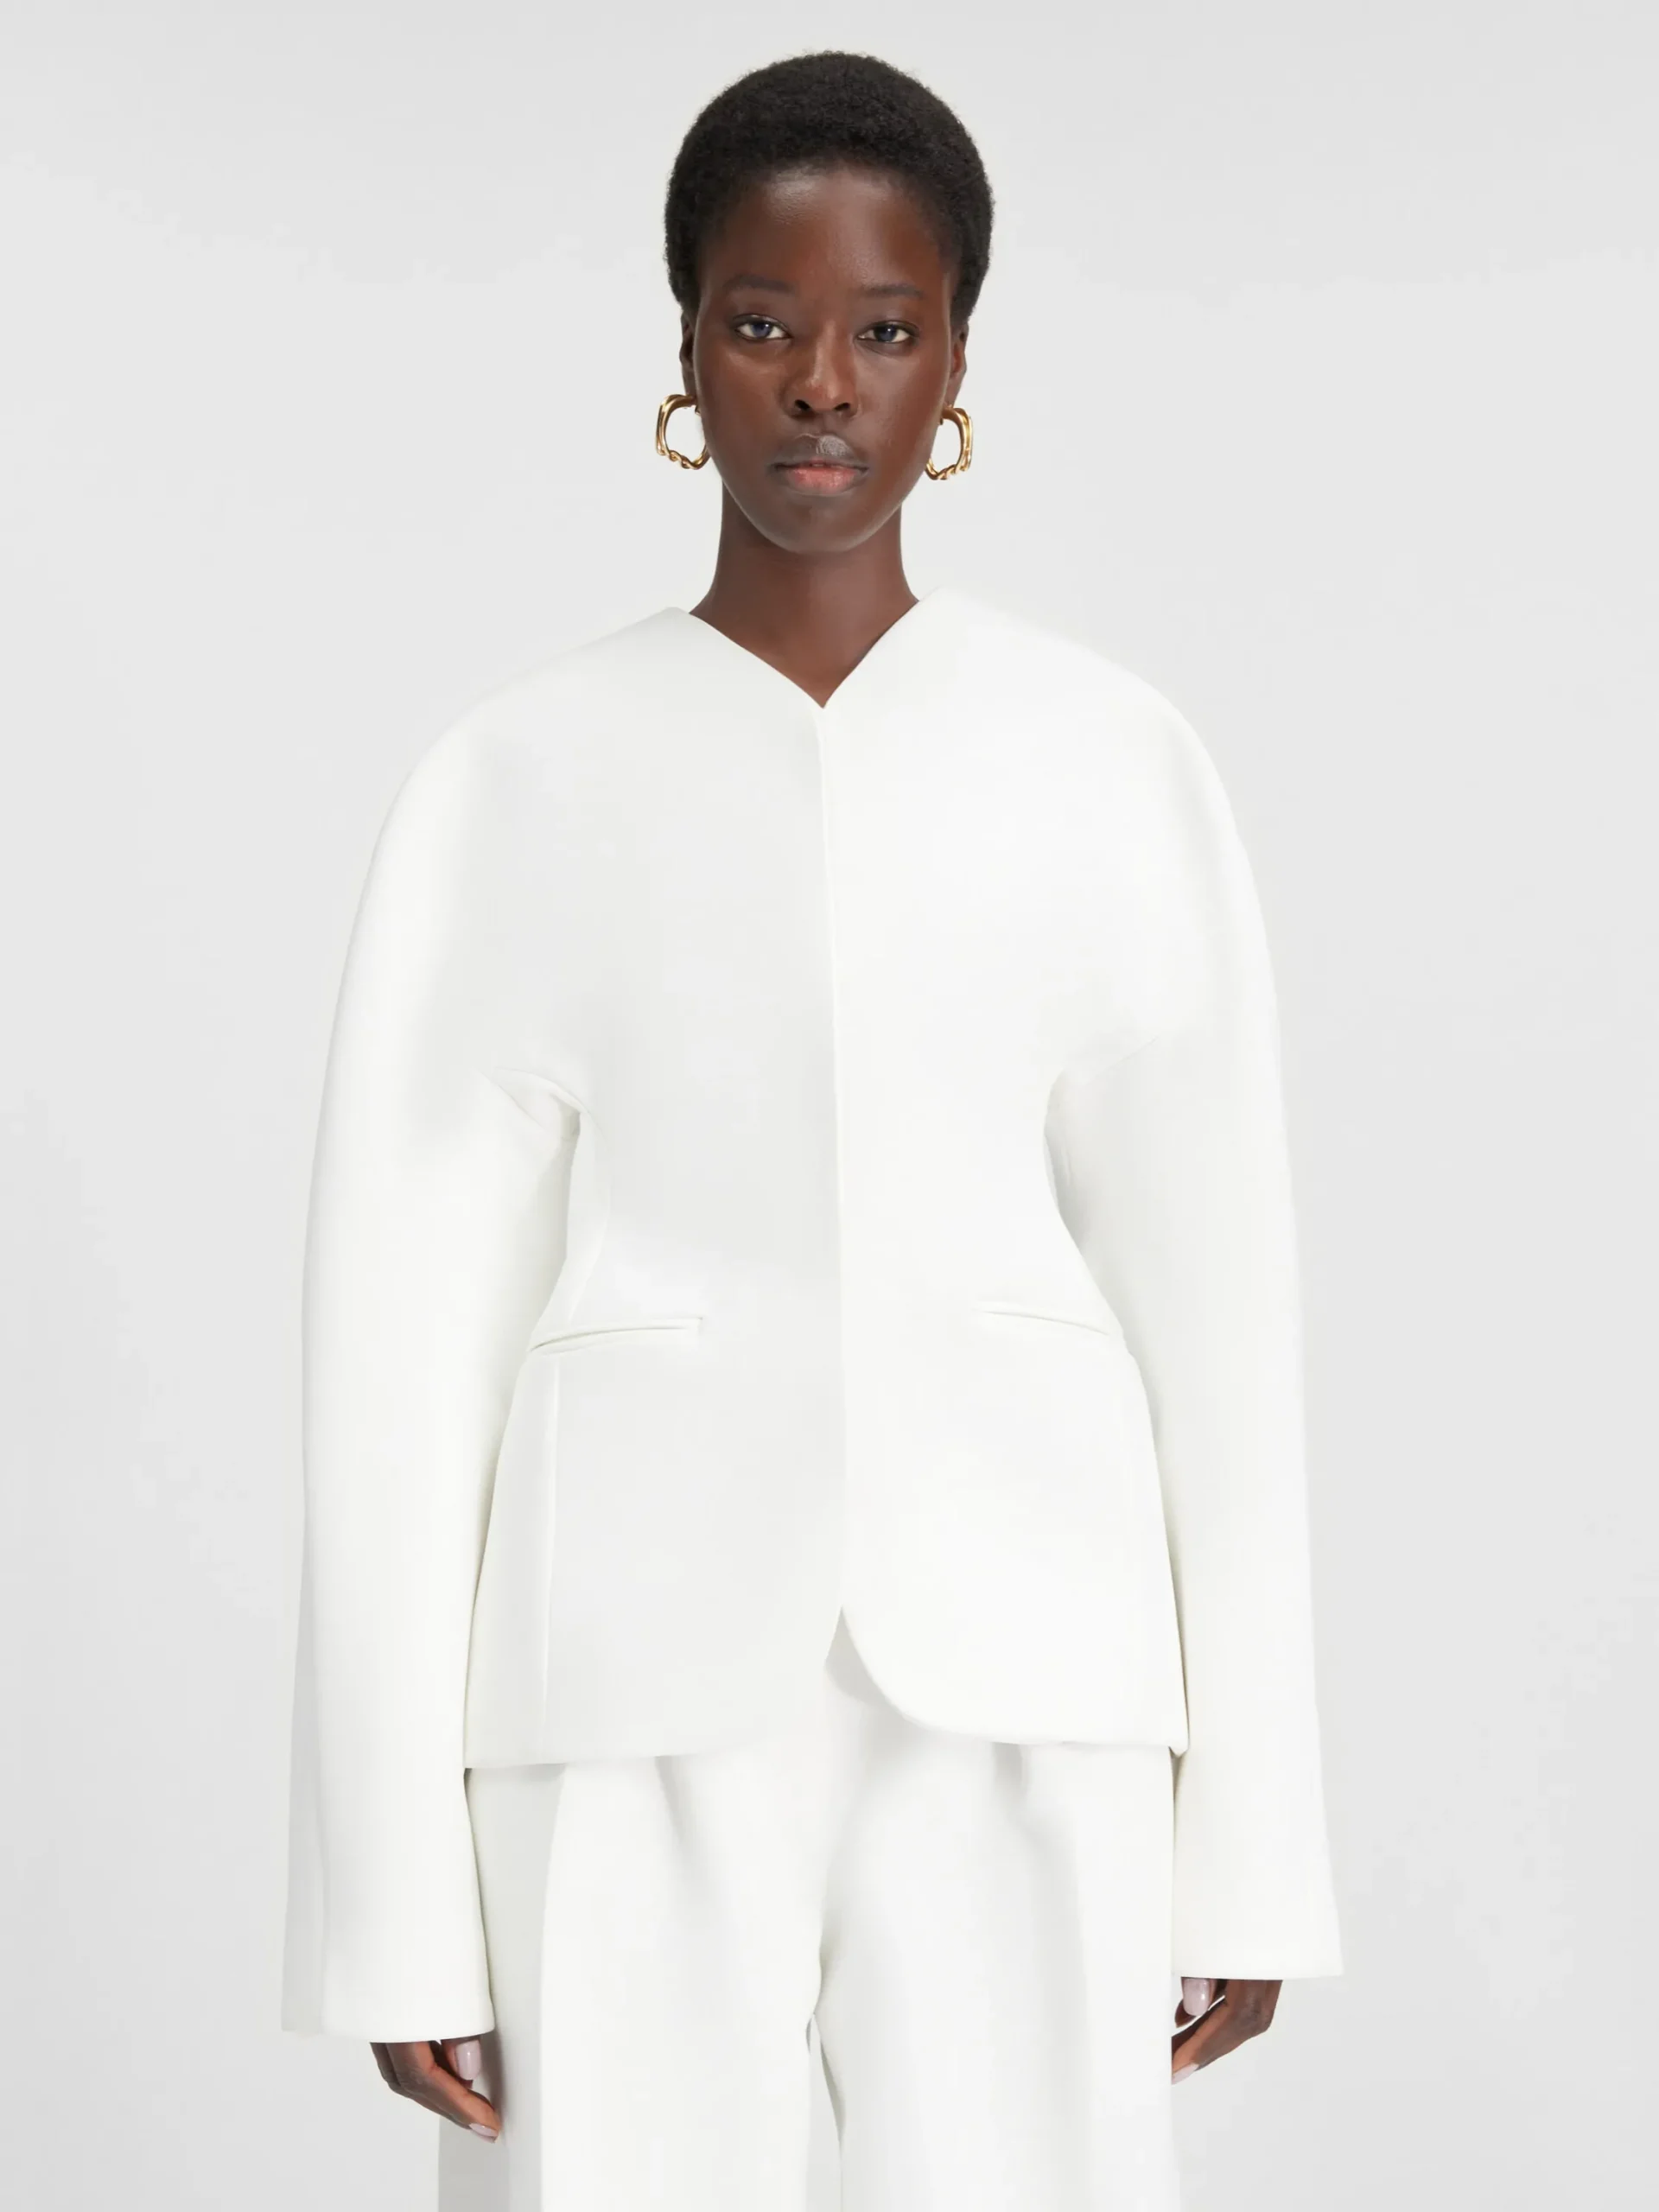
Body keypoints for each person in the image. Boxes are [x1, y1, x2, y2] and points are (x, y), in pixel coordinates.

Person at [280, 48, 1343, 2212]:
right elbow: (397, 1361)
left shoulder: (1108, 762)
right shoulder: (518, 776)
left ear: (957, 362)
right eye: (763, 323)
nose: (824, 384)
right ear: (684, 349)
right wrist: (391, 1894)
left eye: (886, 327)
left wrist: (1255, 1843)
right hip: (618, 1692)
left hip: (1029, 1684)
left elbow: (1224, 1321)